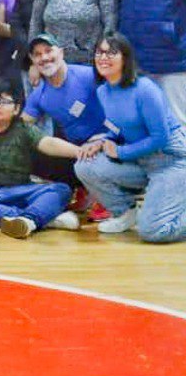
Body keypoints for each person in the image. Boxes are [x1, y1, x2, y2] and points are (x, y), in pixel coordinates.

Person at [75, 33, 186, 242]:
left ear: (125, 58)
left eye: (112, 52)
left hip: (172, 163)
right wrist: (100, 142)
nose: (103, 57)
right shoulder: (103, 92)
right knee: (85, 165)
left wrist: (120, 152)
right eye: (100, 52)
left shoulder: (145, 90)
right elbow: (118, 129)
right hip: (141, 162)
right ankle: (126, 213)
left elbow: (159, 137)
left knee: (152, 231)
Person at [0, 77, 82, 239]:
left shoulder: (23, 128)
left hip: (24, 190)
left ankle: (28, 219)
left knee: (61, 190)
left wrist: (80, 151)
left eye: (4, 101)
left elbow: (48, 143)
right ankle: (42, 219)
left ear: (16, 109)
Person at [21, 34, 105, 195]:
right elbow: (18, 127)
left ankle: (110, 192)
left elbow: (123, 103)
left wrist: (107, 137)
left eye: (48, 51)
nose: (44, 57)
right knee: (25, 154)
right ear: (32, 60)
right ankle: (81, 188)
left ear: (61, 52)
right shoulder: (39, 94)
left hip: (109, 144)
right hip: (78, 151)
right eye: (37, 54)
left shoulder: (88, 76)